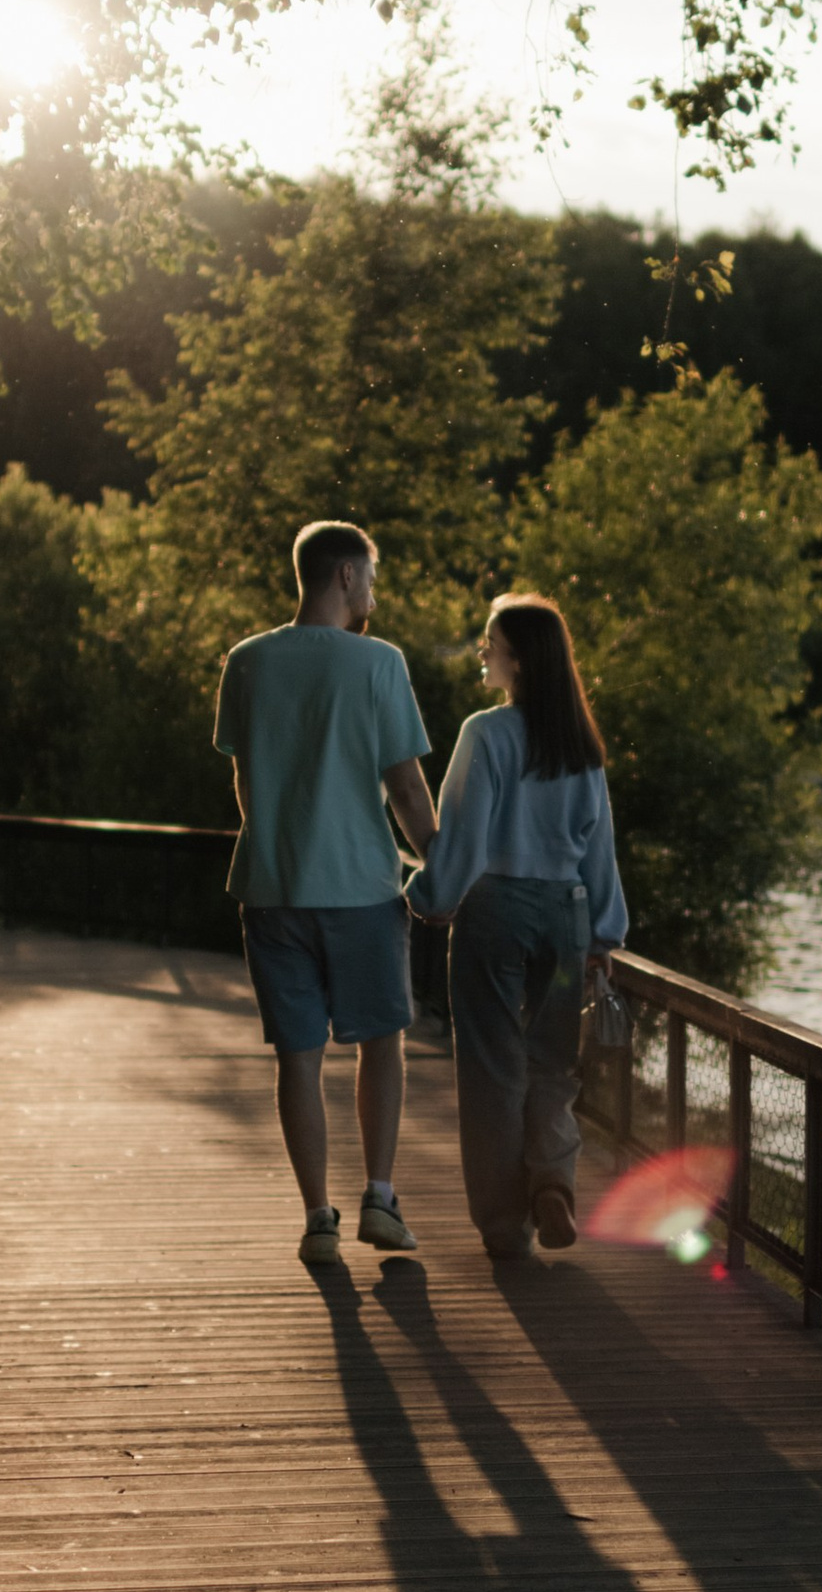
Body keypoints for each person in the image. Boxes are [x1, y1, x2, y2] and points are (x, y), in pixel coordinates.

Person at [213, 520, 440, 1270]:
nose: (374, 589)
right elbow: (406, 786)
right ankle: (379, 1195)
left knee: (298, 1057)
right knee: (381, 1043)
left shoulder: (248, 662)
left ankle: (317, 1217)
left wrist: (285, 841)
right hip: (362, 889)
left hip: (273, 888)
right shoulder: (380, 665)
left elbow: (246, 782)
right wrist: (438, 859)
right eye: (370, 574)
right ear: (344, 575)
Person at [408, 592, 627, 1262]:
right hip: (565, 914)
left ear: (519, 659)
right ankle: (554, 1183)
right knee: (554, 1065)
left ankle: (506, 1225)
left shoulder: (488, 732)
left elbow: (466, 833)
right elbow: (600, 850)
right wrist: (604, 935)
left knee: (493, 1070)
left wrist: (430, 893)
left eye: (490, 642)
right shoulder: (580, 743)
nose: (482, 651)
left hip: (495, 912)